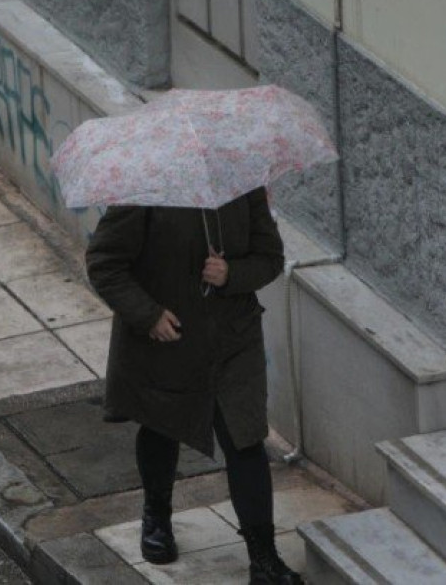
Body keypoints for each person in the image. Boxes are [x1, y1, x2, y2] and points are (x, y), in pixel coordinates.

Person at [86, 187, 303, 584]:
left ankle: (264, 559)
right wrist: (148, 315)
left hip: (233, 340)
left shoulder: (242, 185)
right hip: (169, 337)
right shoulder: (145, 188)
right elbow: (104, 263)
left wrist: (231, 274)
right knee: (162, 424)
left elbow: (270, 257)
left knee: (246, 438)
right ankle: (157, 515)